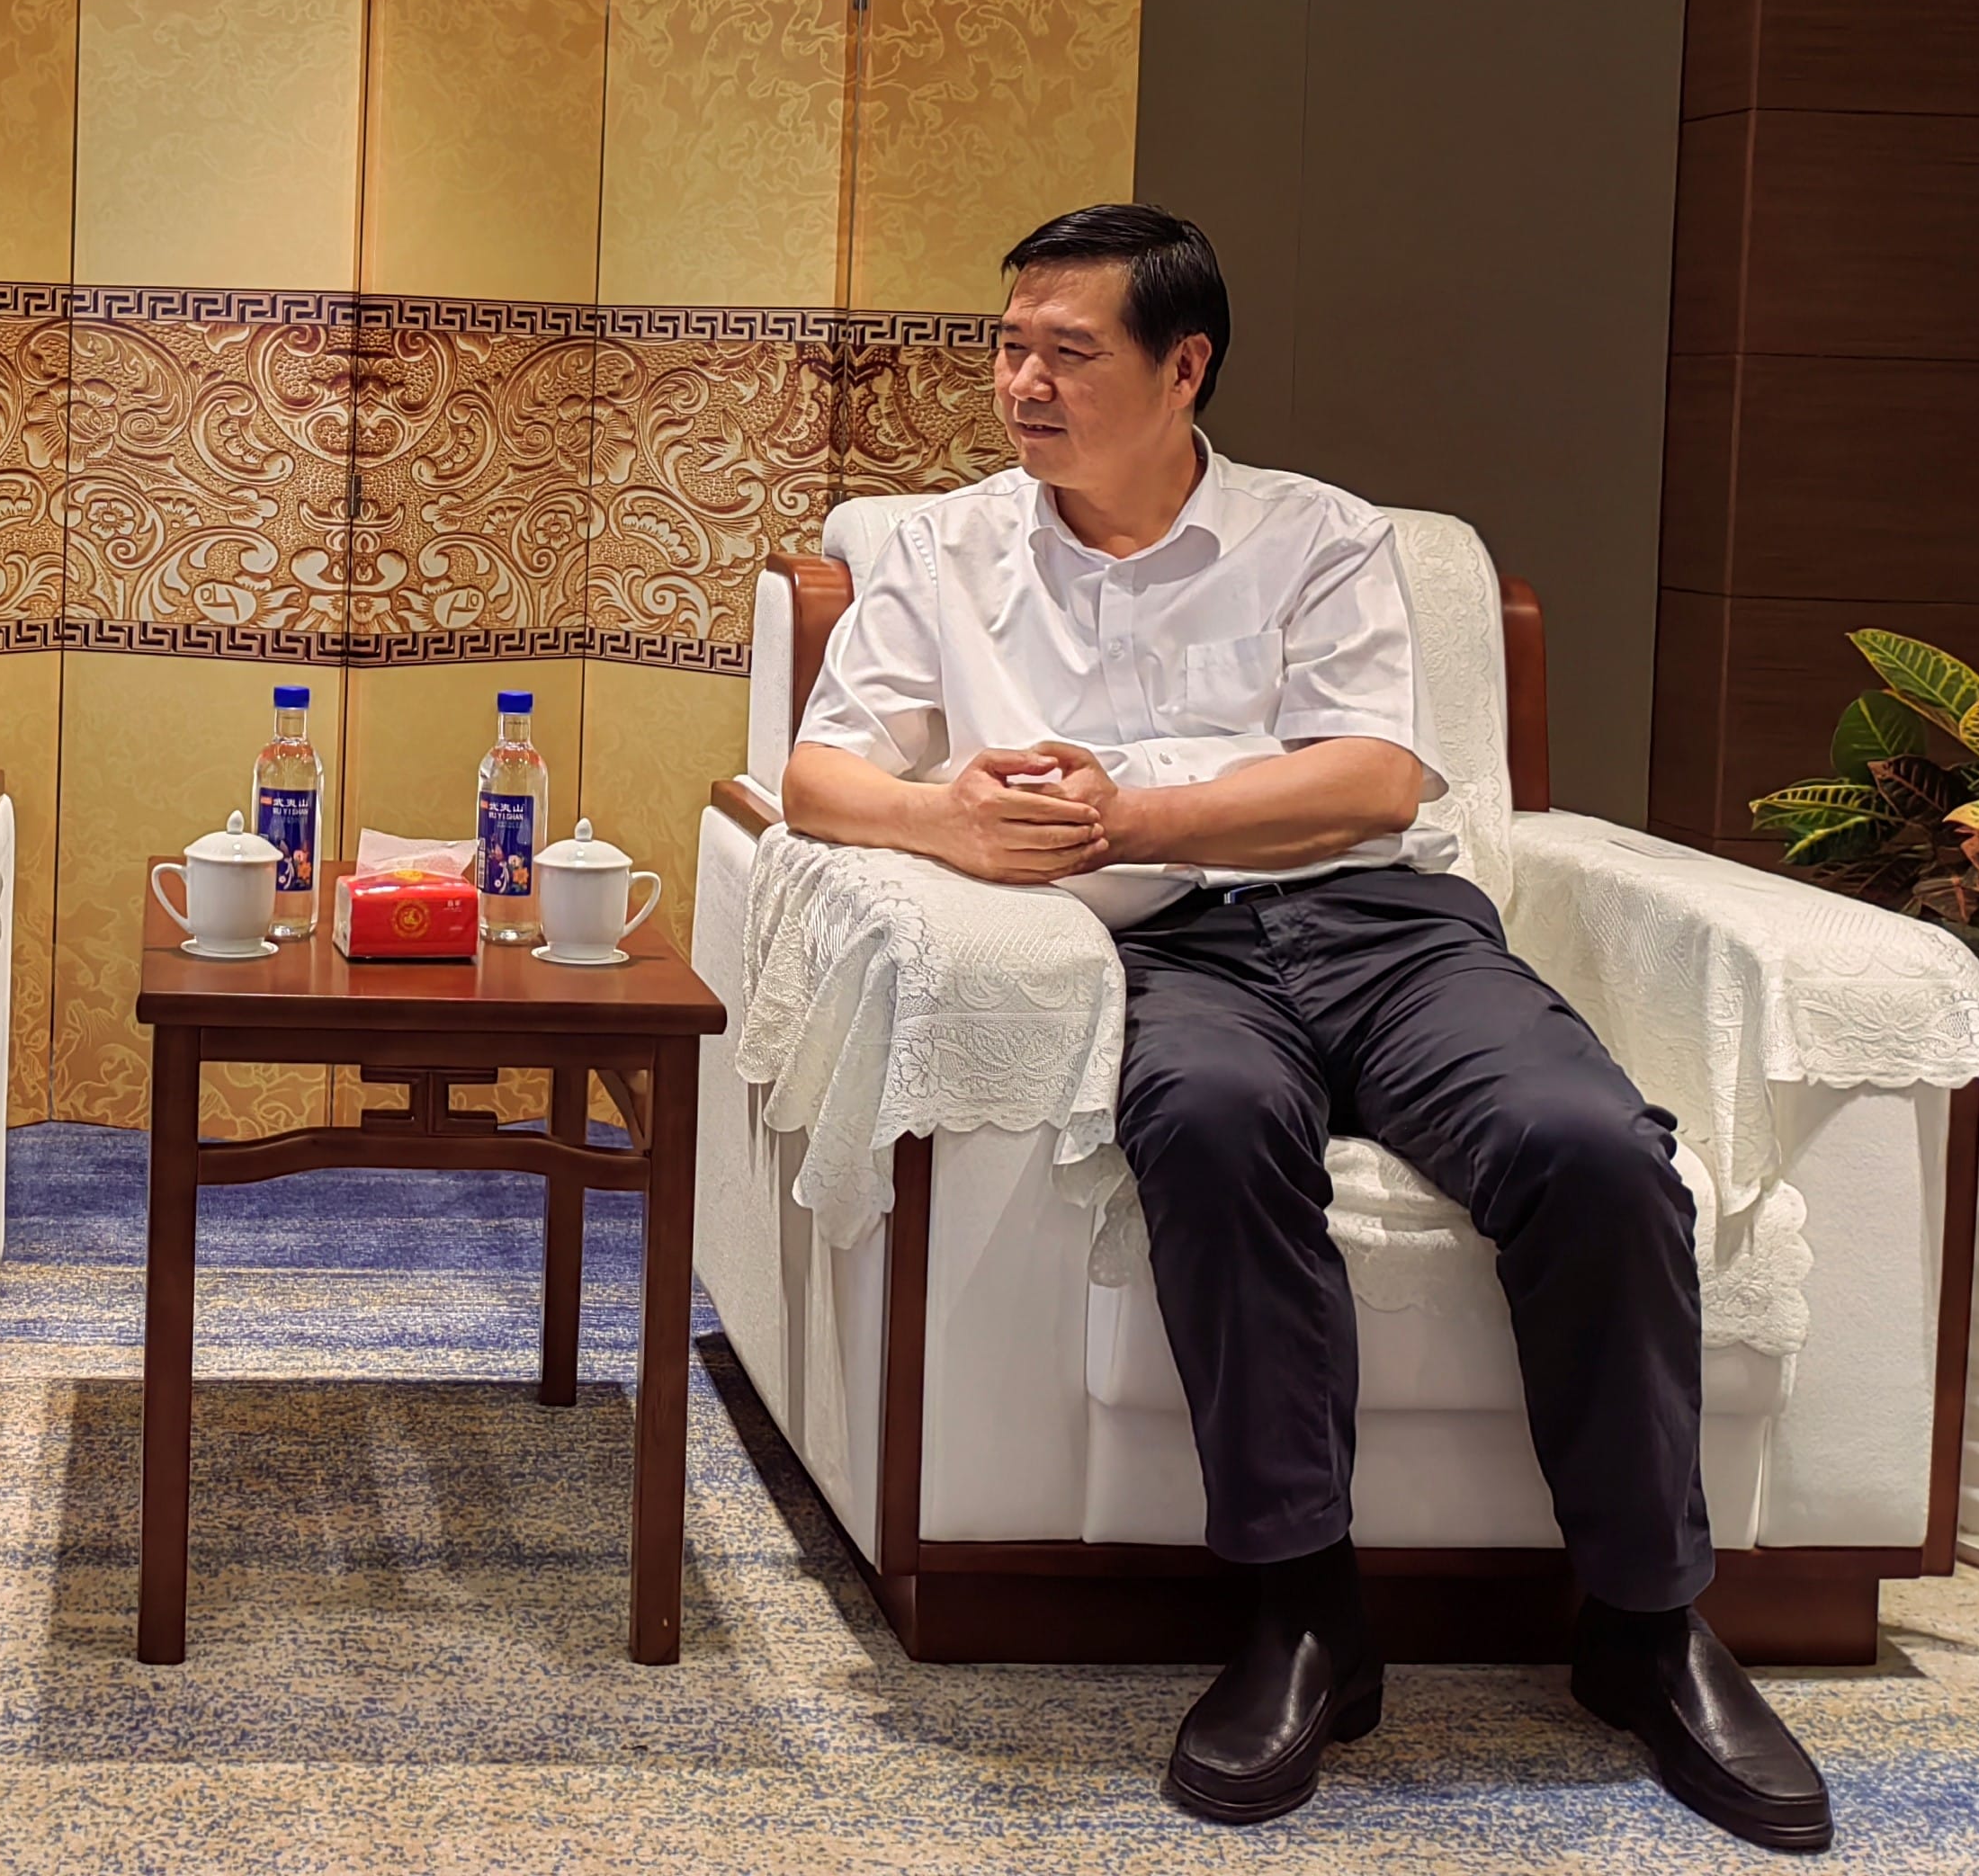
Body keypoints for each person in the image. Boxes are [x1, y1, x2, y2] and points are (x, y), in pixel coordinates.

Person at [779, 203, 1829, 1854]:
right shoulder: (942, 548)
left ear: (1183, 368)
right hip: (1170, 955)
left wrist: (1130, 814)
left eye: (1070, 351)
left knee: (1591, 1149)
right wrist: (953, 826)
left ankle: (1643, 1623)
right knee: (1202, 1125)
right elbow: (818, 775)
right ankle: (1303, 1612)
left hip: (1384, 928)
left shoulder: (1321, 535)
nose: (1023, 384)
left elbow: (1374, 780)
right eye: (1009, 346)